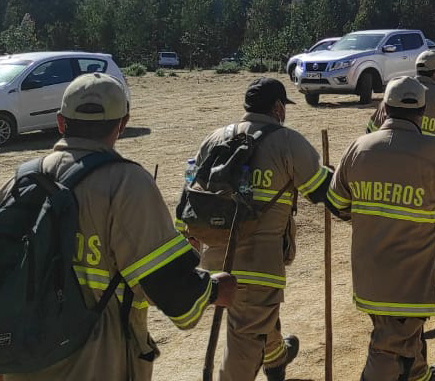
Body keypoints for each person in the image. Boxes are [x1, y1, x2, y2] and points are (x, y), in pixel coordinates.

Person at [1, 73, 236, 381]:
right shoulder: (126, 184)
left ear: (60, 122)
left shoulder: (20, 182)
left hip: (23, 361)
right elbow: (174, 294)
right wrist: (215, 289)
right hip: (95, 363)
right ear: (123, 124)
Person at [326, 77, 435, 381]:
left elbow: (337, 203)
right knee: (389, 347)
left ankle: (420, 374)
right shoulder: (434, 150)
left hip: (368, 273)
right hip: (410, 275)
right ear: (421, 112)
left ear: (385, 108)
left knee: (398, 333)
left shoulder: (359, 147)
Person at [190, 77, 332, 381]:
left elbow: (190, 203)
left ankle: (276, 355)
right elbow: (321, 192)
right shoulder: (287, 141)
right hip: (260, 267)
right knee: (245, 343)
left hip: (215, 263)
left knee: (254, 319)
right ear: (278, 107)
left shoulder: (214, 138)